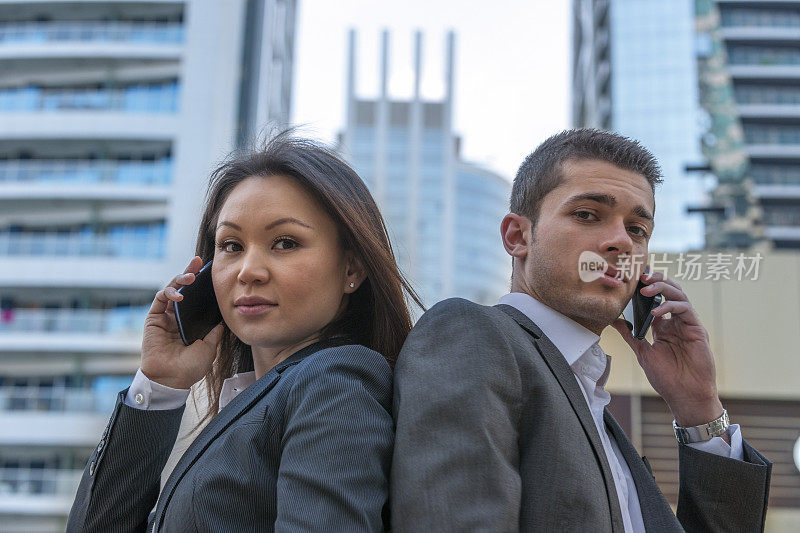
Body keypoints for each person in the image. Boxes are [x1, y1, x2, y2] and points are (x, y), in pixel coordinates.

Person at [391, 129, 772, 532]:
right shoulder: (471, 335)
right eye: (587, 215)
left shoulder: (596, 410)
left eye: (637, 229)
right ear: (518, 236)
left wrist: (699, 408)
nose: (621, 242)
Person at [67, 134, 420, 532]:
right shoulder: (253, 402)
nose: (248, 270)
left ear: (352, 269)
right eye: (231, 245)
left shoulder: (335, 382)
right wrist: (160, 384)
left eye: (285, 243)